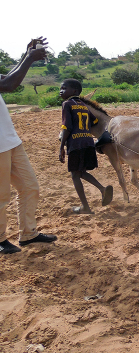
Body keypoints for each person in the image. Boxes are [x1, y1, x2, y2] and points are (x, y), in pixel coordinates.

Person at [0, 38, 57, 254]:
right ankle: (0, 240)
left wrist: (26, 56)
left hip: (10, 141)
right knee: (1, 196)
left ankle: (28, 233)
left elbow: (6, 79)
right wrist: (30, 58)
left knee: (30, 186)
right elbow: (8, 85)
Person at [58, 79, 113, 215]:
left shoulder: (67, 104)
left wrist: (61, 148)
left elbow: (67, 128)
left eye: (64, 88)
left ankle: (85, 207)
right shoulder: (83, 105)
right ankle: (102, 189)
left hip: (75, 143)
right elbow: (94, 121)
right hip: (88, 142)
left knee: (74, 175)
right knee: (80, 172)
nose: (61, 91)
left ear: (75, 91)